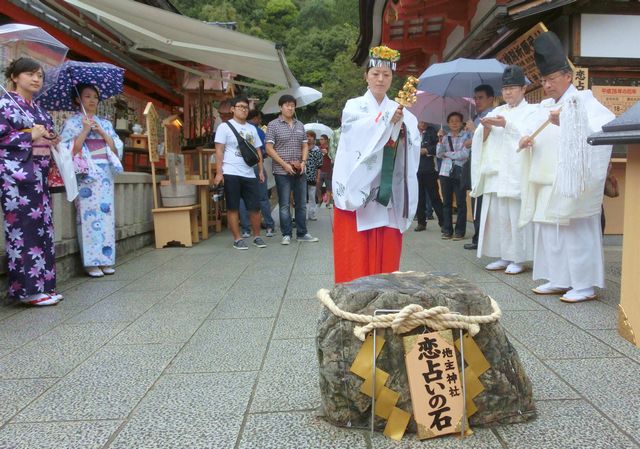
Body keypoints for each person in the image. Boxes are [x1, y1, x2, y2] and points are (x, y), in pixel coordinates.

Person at [518, 31, 615, 303]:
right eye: (543, 80)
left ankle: (584, 284)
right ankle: (559, 277)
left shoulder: (585, 101)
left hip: (574, 182)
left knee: (576, 230)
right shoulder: (547, 105)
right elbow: (533, 132)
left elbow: (601, 131)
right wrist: (526, 141)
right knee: (551, 230)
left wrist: (570, 124)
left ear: (567, 77)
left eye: (550, 79)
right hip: (549, 179)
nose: (546, 85)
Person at [332, 45, 420, 283]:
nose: (381, 79)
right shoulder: (353, 106)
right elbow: (353, 132)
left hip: (388, 187)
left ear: (392, 78)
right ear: (366, 76)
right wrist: (384, 122)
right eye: (375, 74)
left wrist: (401, 127)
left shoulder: (401, 110)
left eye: (387, 75)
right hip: (362, 184)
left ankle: (386, 290)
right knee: (357, 248)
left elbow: (412, 138)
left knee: (387, 243)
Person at [0, 58, 62, 306]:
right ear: (14, 77)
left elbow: (46, 134)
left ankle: (45, 285)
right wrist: (28, 135)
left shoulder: (37, 108)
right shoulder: (4, 103)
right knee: (23, 230)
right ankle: (27, 291)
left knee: (43, 229)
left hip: (38, 176)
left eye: (39, 75)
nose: (36, 79)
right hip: (16, 177)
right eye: (30, 74)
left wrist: (50, 137)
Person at [469, 66, 535, 274]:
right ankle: (504, 255)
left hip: (516, 171)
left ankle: (519, 257)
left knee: (515, 216)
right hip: (496, 172)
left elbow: (531, 137)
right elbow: (481, 139)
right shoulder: (497, 111)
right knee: (499, 217)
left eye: (513, 88)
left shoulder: (532, 111)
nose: (508, 92)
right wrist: (486, 127)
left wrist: (508, 126)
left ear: (523, 89)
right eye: (505, 88)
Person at [59, 83, 124, 277]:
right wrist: (85, 130)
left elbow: (115, 149)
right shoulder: (72, 123)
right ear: (78, 99)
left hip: (104, 173)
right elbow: (69, 151)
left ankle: (106, 259)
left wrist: (102, 133)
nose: (92, 100)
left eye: (95, 96)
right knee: (88, 216)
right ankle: (91, 262)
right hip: (86, 173)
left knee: (106, 215)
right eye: (87, 96)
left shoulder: (105, 123)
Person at [214, 97, 267, 250]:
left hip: (249, 172)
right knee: (233, 207)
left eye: (246, 107)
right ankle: (237, 239)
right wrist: (219, 172)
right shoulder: (224, 127)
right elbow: (219, 150)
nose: (244, 109)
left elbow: (258, 150)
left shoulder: (252, 128)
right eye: (240, 107)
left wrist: (261, 170)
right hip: (231, 171)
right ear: (232, 109)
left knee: (255, 207)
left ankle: (257, 236)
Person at [265, 94, 319, 244]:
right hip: (282, 170)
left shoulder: (300, 125)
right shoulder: (273, 125)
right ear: (280, 107)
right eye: (287, 105)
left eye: (292, 105)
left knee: (301, 203)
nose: (290, 108)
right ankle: (286, 234)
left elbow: (305, 145)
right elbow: (269, 148)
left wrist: (303, 162)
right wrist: (284, 164)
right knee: (284, 204)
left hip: (299, 169)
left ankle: (302, 233)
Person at [464, 85, 495, 250]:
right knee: (475, 198)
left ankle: (482, 239)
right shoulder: (476, 117)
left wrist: (474, 131)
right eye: (475, 98)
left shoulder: (493, 115)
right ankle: (477, 237)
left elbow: (487, 138)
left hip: (487, 163)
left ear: (491, 98)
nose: (477, 101)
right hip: (475, 161)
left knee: (484, 201)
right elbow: (469, 142)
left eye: (481, 97)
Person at [239, 109, 275, 237]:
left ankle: (245, 229)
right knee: (263, 198)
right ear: (254, 118)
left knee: (242, 199)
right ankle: (269, 226)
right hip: (256, 166)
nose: (259, 121)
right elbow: (264, 150)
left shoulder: (233, 128)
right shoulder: (257, 130)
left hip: (240, 169)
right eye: (259, 119)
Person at [437, 112, 470, 240]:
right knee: (446, 202)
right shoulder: (444, 138)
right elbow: (439, 154)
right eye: (451, 121)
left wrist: (448, 154)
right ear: (448, 123)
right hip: (445, 173)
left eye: (457, 120)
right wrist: (439, 141)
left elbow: (465, 154)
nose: (454, 123)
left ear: (462, 123)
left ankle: (460, 232)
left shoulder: (467, 136)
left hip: (460, 171)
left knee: (461, 202)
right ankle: (447, 230)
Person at [415, 121, 442, 231]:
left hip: (429, 169)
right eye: (421, 121)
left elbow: (439, 147)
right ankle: (421, 222)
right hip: (416, 169)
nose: (423, 123)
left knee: (434, 196)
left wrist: (427, 150)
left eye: (425, 121)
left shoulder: (432, 132)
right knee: (419, 197)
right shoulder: (412, 132)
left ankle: (443, 222)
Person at [304, 130, 323, 220]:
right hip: (301, 176)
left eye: (310, 136)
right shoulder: (302, 148)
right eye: (307, 136)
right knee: (302, 196)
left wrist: (318, 177)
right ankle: (303, 215)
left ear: (314, 139)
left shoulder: (317, 150)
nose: (309, 138)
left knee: (312, 196)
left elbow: (319, 166)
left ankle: (312, 214)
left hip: (312, 176)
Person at [318, 134, 333, 207]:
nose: (320, 141)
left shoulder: (330, 148)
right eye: (320, 139)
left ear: (326, 140)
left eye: (322, 139)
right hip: (320, 170)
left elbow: (333, 157)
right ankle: (320, 199)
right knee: (318, 186)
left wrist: (327, 153)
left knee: (329, 187)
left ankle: (328, 203)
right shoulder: (318, 148)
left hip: (328, 170)